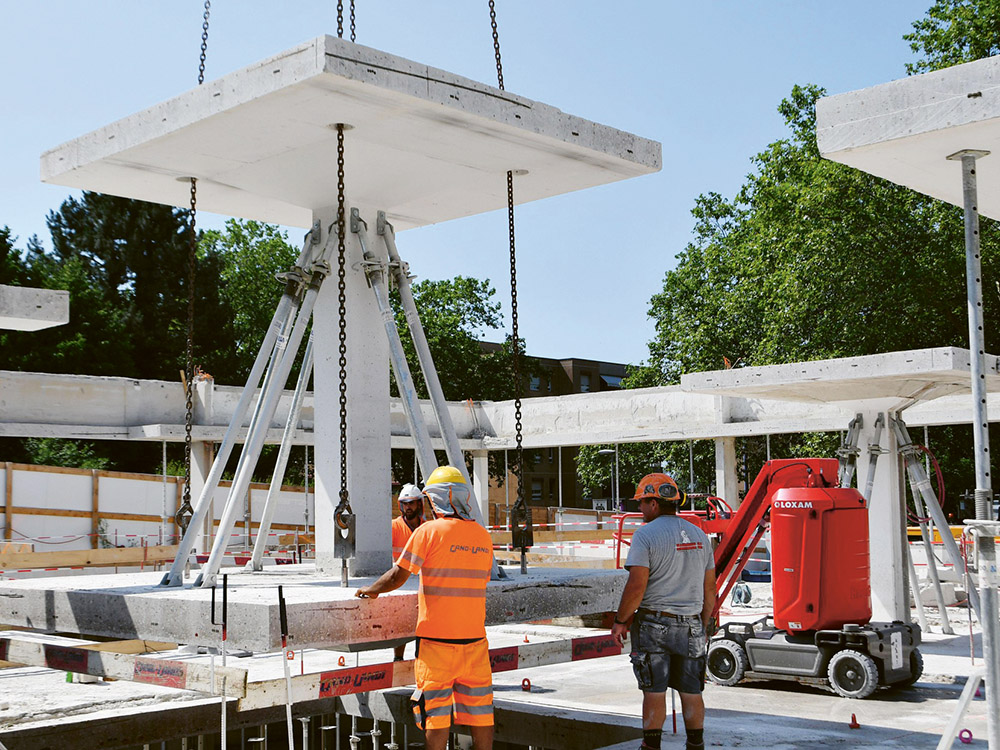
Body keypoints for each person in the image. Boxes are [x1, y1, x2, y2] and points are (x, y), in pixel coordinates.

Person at [356, 466, 494, 750]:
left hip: (437, 645)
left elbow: (398, 575)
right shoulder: (482, 536)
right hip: (475, 642)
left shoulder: (429, 532)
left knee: (436, 714)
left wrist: (371, 590)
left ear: (434, 500)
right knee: (481, 712)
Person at [611, 473, 717, 750]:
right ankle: (695, 745)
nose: (640, 509)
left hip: (654, 624)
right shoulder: (699, 535)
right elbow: (710, 589)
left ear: (655, 503)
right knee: (692, 692)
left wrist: (621, 620)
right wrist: (702, 623)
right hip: (692, 624)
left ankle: (651, 746)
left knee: (654, 691)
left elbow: (636, 585)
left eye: (642, 503)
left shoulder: (645, 535)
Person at [390, 482, 426, 661]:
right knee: (401, 624)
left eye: (411, 503)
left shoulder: (427, 527)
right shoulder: (394, 527)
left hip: (422, 582)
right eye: (405, 504)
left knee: (424, 625)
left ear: (420, 504)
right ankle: (398, 659)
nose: (408, 507)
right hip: (401, 582)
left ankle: (421, 659)